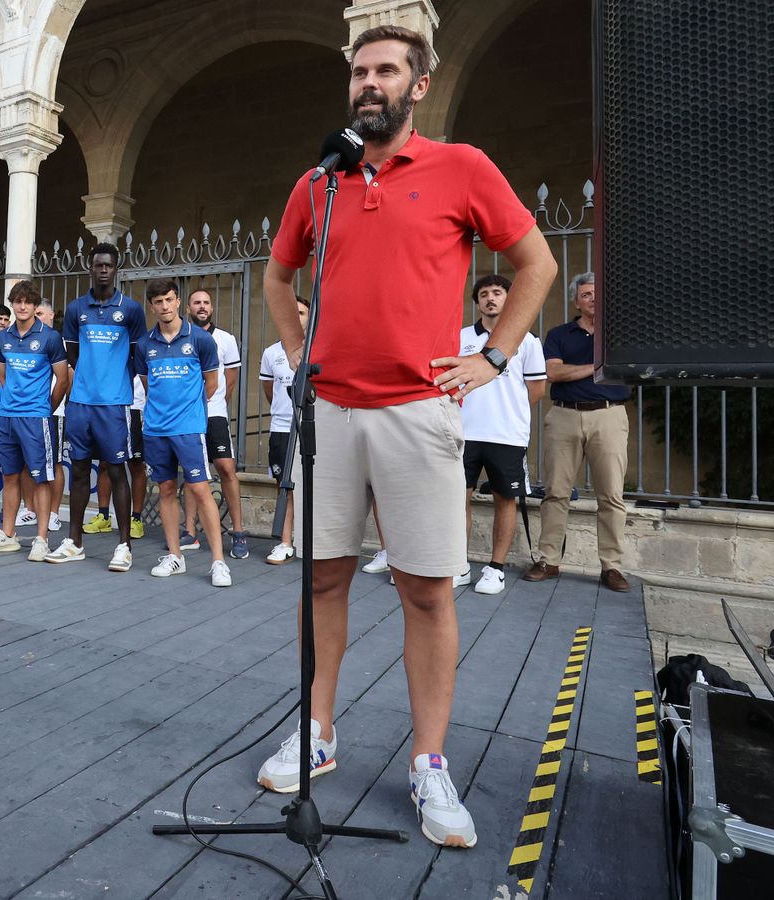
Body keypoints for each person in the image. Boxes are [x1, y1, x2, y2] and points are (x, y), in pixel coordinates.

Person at [257, 25, 556, 848]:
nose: (368, 83)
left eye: (386, 70)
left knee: (426, 591)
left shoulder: (461, 166)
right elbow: (279, 276)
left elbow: (536, 262)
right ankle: (318, 733)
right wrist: (295, 348)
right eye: (359, 71)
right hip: (330, 414)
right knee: (322, 580)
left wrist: (492, 358)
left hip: (418, 414)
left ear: (418, 86)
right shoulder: (317, 181)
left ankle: (429, 764)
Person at [527, 272, 632, 592]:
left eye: (598, 294)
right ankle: (549, 559)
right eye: (586, 294)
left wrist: (588, 368)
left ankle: (611, 566)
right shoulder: (560, 334)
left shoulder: (619, 334)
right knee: (556, 491)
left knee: (611, 495)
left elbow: (628, 367)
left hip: (609, 416)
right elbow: (554, 372)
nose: (592, 299)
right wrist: (599, 366)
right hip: (564, 416)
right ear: (576, 301)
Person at [46, 243, 147, 572]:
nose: (103, 270)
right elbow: (73, 354)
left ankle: (124, 546)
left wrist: (113, 381)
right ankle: (75, 542)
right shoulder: (76, 309)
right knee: (77, 469)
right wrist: (91, 377)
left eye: (109, 265)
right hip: (80, 403)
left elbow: (136, 355)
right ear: (90, 267)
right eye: (98, 265)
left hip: (114, 405)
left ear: (117, 268)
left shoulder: (130, 309)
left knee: (117, 471)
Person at [136, 281, 231, 587]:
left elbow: (212, 383)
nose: (164, 306)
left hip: (189, 429)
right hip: (155, 429)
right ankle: (175, 556)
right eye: (158, 301)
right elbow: (148, 385)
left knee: (201, 490)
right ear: (152, 306)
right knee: (164, 490)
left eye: (169, 299)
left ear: (178, 302)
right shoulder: (143, 345)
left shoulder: (200, 339)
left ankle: (218, 562)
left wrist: (187, 410)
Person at [459, 275, 546, 594]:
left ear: (509, 299)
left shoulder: (527, 340)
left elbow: (536, 390)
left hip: (507, 436)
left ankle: (495, 568)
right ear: (477, 302)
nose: (490, 298)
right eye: (484, 294)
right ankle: (459, 564)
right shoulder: (462, 337)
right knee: (458, 501)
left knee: (505, 500)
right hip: (465, 434)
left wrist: (508, 414)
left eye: (497, 292)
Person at [0, 281, 68, 560]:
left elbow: (62, 380)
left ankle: (41, 539)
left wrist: (44, 409)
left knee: (40, 478)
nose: (21, 306)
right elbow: (3, 378)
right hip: (7, 417)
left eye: (27, 302)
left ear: (34, 306)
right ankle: (8, 534)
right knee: (9, 475)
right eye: (17, 301)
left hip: (35, 418)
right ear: (12, 304)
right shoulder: (3, 337)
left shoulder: (49, 337)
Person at [182, 288, 249, 560]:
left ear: (211, 307)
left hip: (215, 413)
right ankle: (189, 532)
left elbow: (230, 378)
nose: (202, 307)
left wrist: (217, 402)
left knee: (225, 467)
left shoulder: (225, 339)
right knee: (191, 471)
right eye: (196, 302)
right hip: (186, 415)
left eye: (206, 302)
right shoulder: (181, 337)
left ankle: (239, 531)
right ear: (187, 308)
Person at [259, 296, 310, 564]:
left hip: (311, 427)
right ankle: (286, 542)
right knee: (285, 486)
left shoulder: (319, 350)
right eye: (293, 313)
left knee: (312, 486)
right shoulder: (271, 353)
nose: (297, 317)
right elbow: (271, 391)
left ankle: (312, 542)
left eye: (302, 313)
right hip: (281, 427)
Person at [37, 299, 66, 532]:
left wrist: (51, 406)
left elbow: (69, 377)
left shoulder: (59, 341)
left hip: (54, 410)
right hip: (30, 411)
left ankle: (54, 513)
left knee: (54, 462)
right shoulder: (28, 339)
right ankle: (31, 510)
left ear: (51, 314)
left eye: (40, 313)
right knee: (31, 463)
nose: (36, 317)